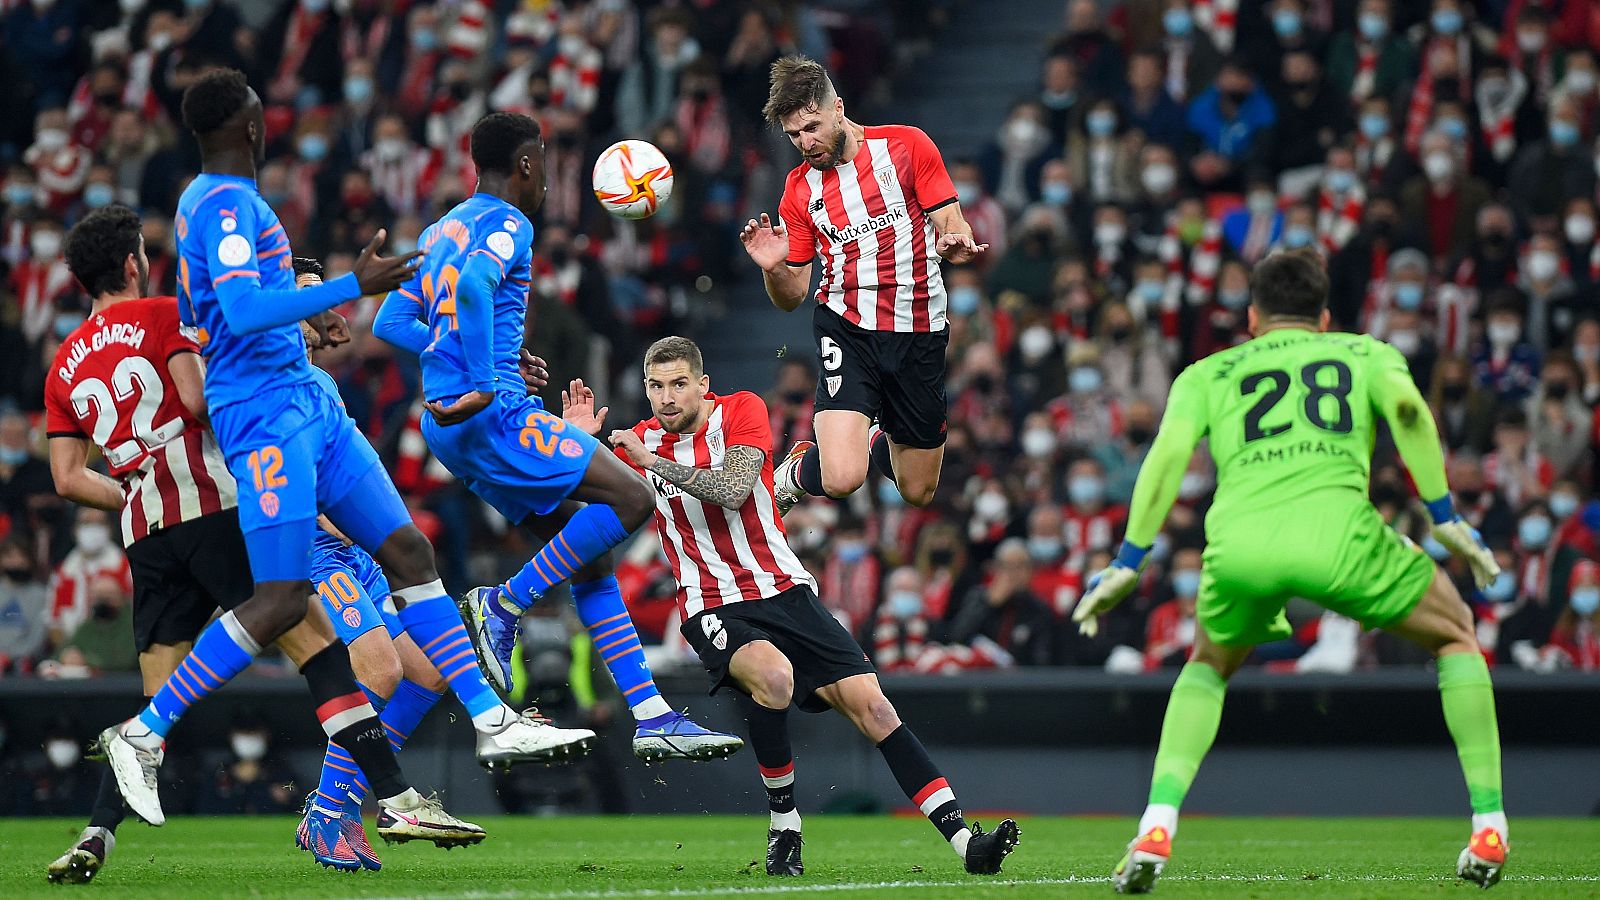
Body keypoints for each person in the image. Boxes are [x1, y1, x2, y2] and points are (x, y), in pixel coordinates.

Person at [92, 70, 560, 856]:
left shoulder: (228, 203)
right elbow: (240, 312)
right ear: (247, 127)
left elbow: (262, 306)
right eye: (259, 115)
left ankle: (491, 719)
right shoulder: (224, 204)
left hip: (310, 409)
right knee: (284, 605)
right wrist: (353, 283)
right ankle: (144, 733)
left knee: (411, 550)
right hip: (263, 418)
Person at [1073, 249, 1509, 891]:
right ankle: (1489, 823)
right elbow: (1413, 414)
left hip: (1240, 546)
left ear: (1252, 317)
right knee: (1455, 634)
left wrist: (1128, 561)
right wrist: (1443, 515)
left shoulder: (1208, 371)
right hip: (1340, 538)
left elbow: (1165, 457)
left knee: (1208, 664)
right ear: (1325, 318)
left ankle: (1156, 824)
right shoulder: (1367, 354)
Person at [563, 335, 1019, 876]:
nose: (667, 397)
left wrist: (652, 463)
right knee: (774, 676)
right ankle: (786, 826)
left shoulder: (742, 411)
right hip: (712, 605)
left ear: (703, 385)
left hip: (786, 591)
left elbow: (733, 489)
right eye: (656, 386)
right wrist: (577, 451)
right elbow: (578, 513)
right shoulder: (633, 442)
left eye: (679, 384)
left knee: (875, 709)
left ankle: (967, 844)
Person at [371, 111, 741, 762]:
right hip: (496, 417)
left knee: (588, 558)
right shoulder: (510, 223)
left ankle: (651, 714)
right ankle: (502, 606)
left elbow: (391, 318)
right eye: (541, 161)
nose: (544, 176)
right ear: (524, 165)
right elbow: (480, 285)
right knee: (630, 500)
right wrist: (485, 376)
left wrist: (467, 364)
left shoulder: (442, 228)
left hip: (450, 427)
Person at [291, 257, 592, 872]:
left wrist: (504, 382)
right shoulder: (267, 384)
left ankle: (357, 800)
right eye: (302, 301)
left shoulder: (320, 384)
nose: (317, 314)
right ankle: (330, 811)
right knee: (375, 671)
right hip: (311, 553)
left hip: (358, 549)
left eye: (319, 302)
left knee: (426, 673)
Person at [739, 55, 986, 516]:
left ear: (838, 108)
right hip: (847, 328)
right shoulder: (798, 191)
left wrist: (956, 244)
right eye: (794, 135)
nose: (806, 143)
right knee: (841, 478)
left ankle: (877, 431)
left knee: (917, 490)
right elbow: (791, 297)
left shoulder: (907, 147)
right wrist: (773, 268)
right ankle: (796, 471)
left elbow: (951, 224)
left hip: (919, 331)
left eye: (812, 127)